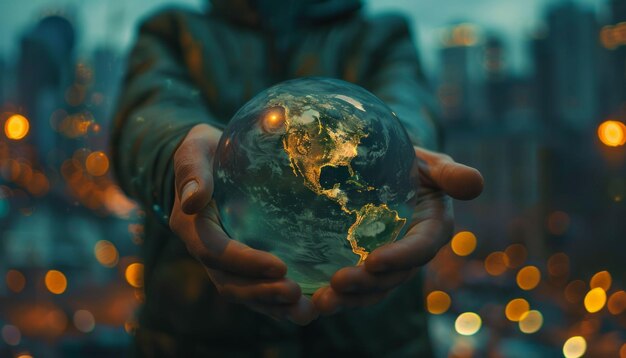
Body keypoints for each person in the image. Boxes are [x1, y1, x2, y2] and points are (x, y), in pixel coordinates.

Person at [112, 0, 484, 356]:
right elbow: (146, 116)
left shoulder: (382, 35)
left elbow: (407, 104)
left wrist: (409, 150)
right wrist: (177, 154)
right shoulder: (174, 31)